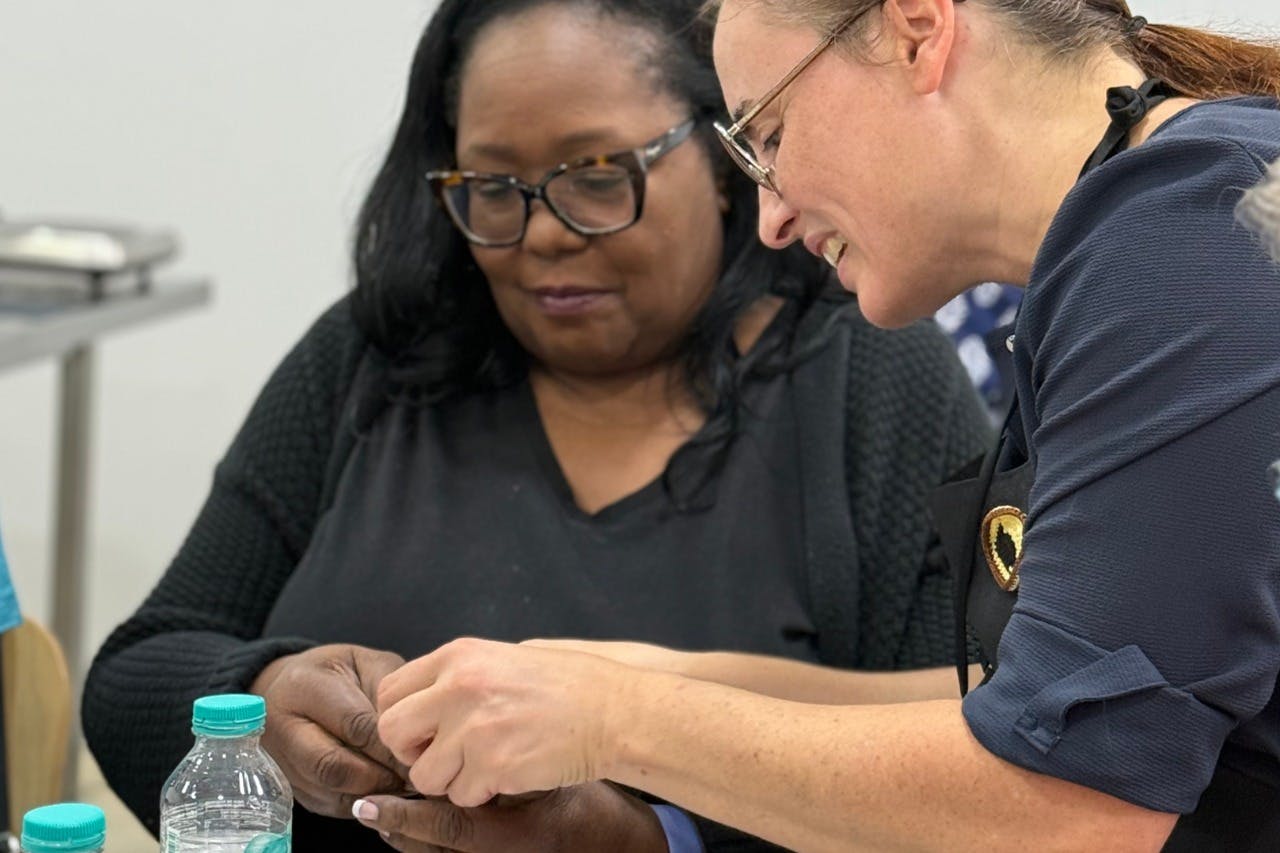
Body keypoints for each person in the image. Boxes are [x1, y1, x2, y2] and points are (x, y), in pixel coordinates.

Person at [80, 0, 993, 850]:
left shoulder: (871, 378)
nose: (544, 233)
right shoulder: (376, 356)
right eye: (492, 189)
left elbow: (961, 774)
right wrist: (261, 698)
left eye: (596, 179)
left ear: (725, 159)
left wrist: (651, 837)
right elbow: (135, 674)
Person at [373, 0, 1280, 849]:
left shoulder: (1189, 235)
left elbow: (1074, 807)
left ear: (917, 31)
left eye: (769, 135)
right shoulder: (1157, 231)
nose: (770, 219)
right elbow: (1042, 707)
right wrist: (631, 678)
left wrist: (610, 720)